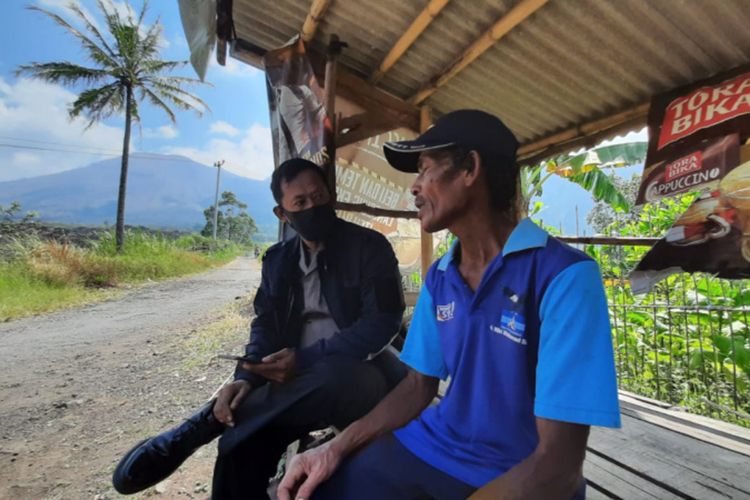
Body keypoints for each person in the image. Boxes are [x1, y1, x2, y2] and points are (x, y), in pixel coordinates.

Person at [278, 110, 621, 500]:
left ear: (470, 169)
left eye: (424, 170)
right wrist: (333, 448)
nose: (415, 187)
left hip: (521, 474)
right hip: (431, 447)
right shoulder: (441, 276)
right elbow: (417, 385)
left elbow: (558, 467)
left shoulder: (564, 276)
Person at [112, 158, 406, 499]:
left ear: (331, 195)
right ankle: (221, 426)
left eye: (319, 196)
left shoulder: (369, 247)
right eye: (300, 203)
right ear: (283, 214)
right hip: (295, 382)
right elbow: (265, 322)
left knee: (333, 375)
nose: (313, 207)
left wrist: (305, 359)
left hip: (362, 374)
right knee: (240, 440)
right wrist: (247, 376)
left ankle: (201, 425)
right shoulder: (278, 260)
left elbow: (381, 323)